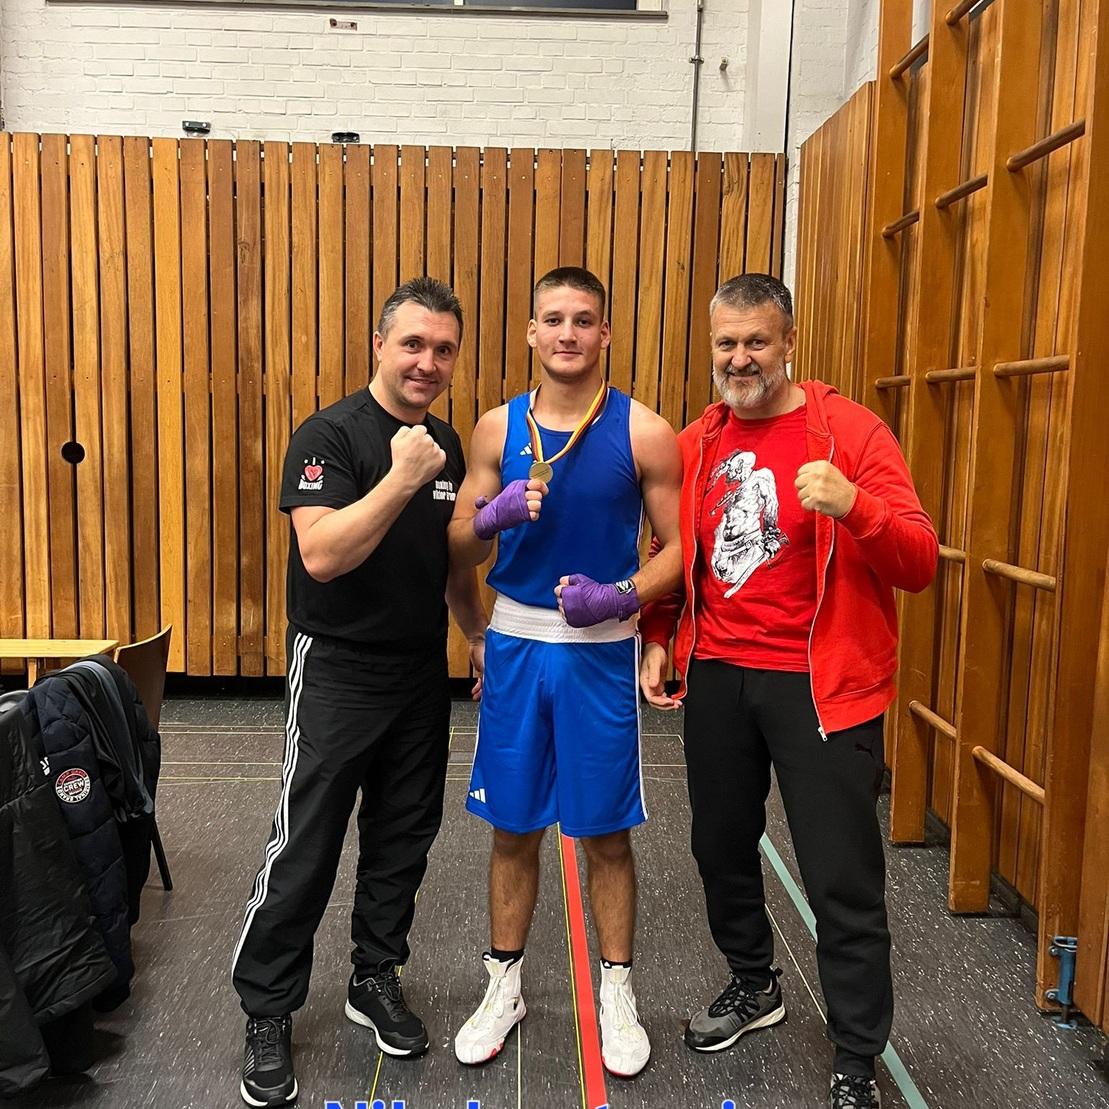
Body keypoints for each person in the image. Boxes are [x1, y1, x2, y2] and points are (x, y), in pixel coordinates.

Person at [639, 274, 938, 1109]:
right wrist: (659, 633)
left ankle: (854, 1054)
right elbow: (671, 549)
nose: (740, 358)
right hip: (718, 675)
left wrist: (855, 506)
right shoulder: (698, 439)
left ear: (789, 342)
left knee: (840, 876)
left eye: (756, 341)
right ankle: (753, 981)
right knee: (718, 847)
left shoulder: (849, 432)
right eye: (726, 343)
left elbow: (918, 559)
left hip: (822, 687)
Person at [231, 277, 486, 1108]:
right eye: (412, 344)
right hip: (338, 667)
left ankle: (374, 975)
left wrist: (476, 632)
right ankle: (267, 1008)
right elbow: (323, 555)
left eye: (443, 349)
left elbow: (447, 561)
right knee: (305, 842)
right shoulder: (330, 435)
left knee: (402, 837)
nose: (427, 362)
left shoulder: (444, 442)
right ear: (379, 345)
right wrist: (402, 477)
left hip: (418, 669)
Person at [447, 266, 682, 1078]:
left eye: (584, 319)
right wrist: (491, 515)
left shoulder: (644, 430)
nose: (568, 333)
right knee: (511, 826)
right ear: (531, 331)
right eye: (553, 318)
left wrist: (620, 595)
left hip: (599, 648)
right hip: (516, 642)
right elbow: (456, 542)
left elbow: (678, 548)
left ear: (605, 333)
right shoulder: (494, 428)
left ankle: (616, 989)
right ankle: (503, 986)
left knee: (605, 831)